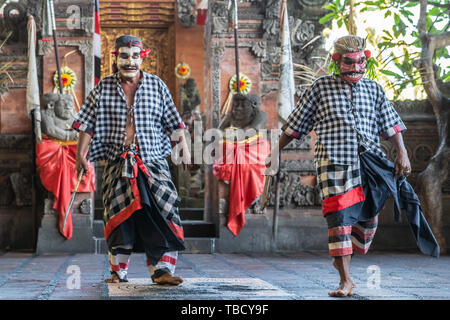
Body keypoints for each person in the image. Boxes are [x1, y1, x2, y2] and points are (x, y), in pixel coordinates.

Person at [269, 35, 412, 297]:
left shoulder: (374, 89)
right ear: (337, 61)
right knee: (340, 219)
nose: (356, 68)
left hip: (369, 165)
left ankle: (342, 258)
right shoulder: (320, 87)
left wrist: (402, 152)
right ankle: (345, 279)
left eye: (361, 63)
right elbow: (295, 125)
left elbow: (391, 123)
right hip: (333, 164)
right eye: (350, 63)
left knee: (368, 220)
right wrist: (275, 152)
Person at [73, 35, 190, 285]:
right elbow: (86, 124)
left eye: (135, 56)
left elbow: (175, 123)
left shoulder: (157, 86)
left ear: (142, 58)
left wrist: (185, 150)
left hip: (153, 163)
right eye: (124, 56)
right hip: (118, 163)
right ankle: (118, 273)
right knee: (119, 217)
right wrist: (80, 156)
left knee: (165, 213)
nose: (130, 62)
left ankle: (161, 271)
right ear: (116, 58)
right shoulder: (103, 87)